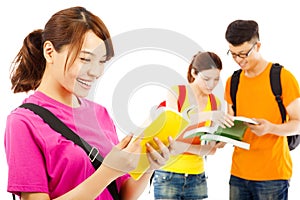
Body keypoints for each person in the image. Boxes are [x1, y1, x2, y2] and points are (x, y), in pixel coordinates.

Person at [4, 6, 174, 200]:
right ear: (50, 52)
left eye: (102, 61)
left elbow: (123, 194)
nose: (95, 72)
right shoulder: (23, 122)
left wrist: (150, 166)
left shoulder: (99, 113)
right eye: (85, 59)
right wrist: (109, 170)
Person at [224, 19, 300, 200]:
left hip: (272, 176)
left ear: (257, 46)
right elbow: (232, 121)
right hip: (238, 174)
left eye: (243, 54)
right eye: (233, 54)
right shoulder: (233, 81)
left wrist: (270, 128)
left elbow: (298, 124)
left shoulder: (282, 77)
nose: (238, 60)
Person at [153, 51, 234, 199]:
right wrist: (208, 116)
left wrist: (219, 141)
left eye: (216, 79)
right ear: (194, 73)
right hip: (168, 176)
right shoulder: (177, 92)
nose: (211, 85)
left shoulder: (215, 102)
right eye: (206, 79)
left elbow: (210, 150)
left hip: (197, 178)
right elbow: (173, 129)